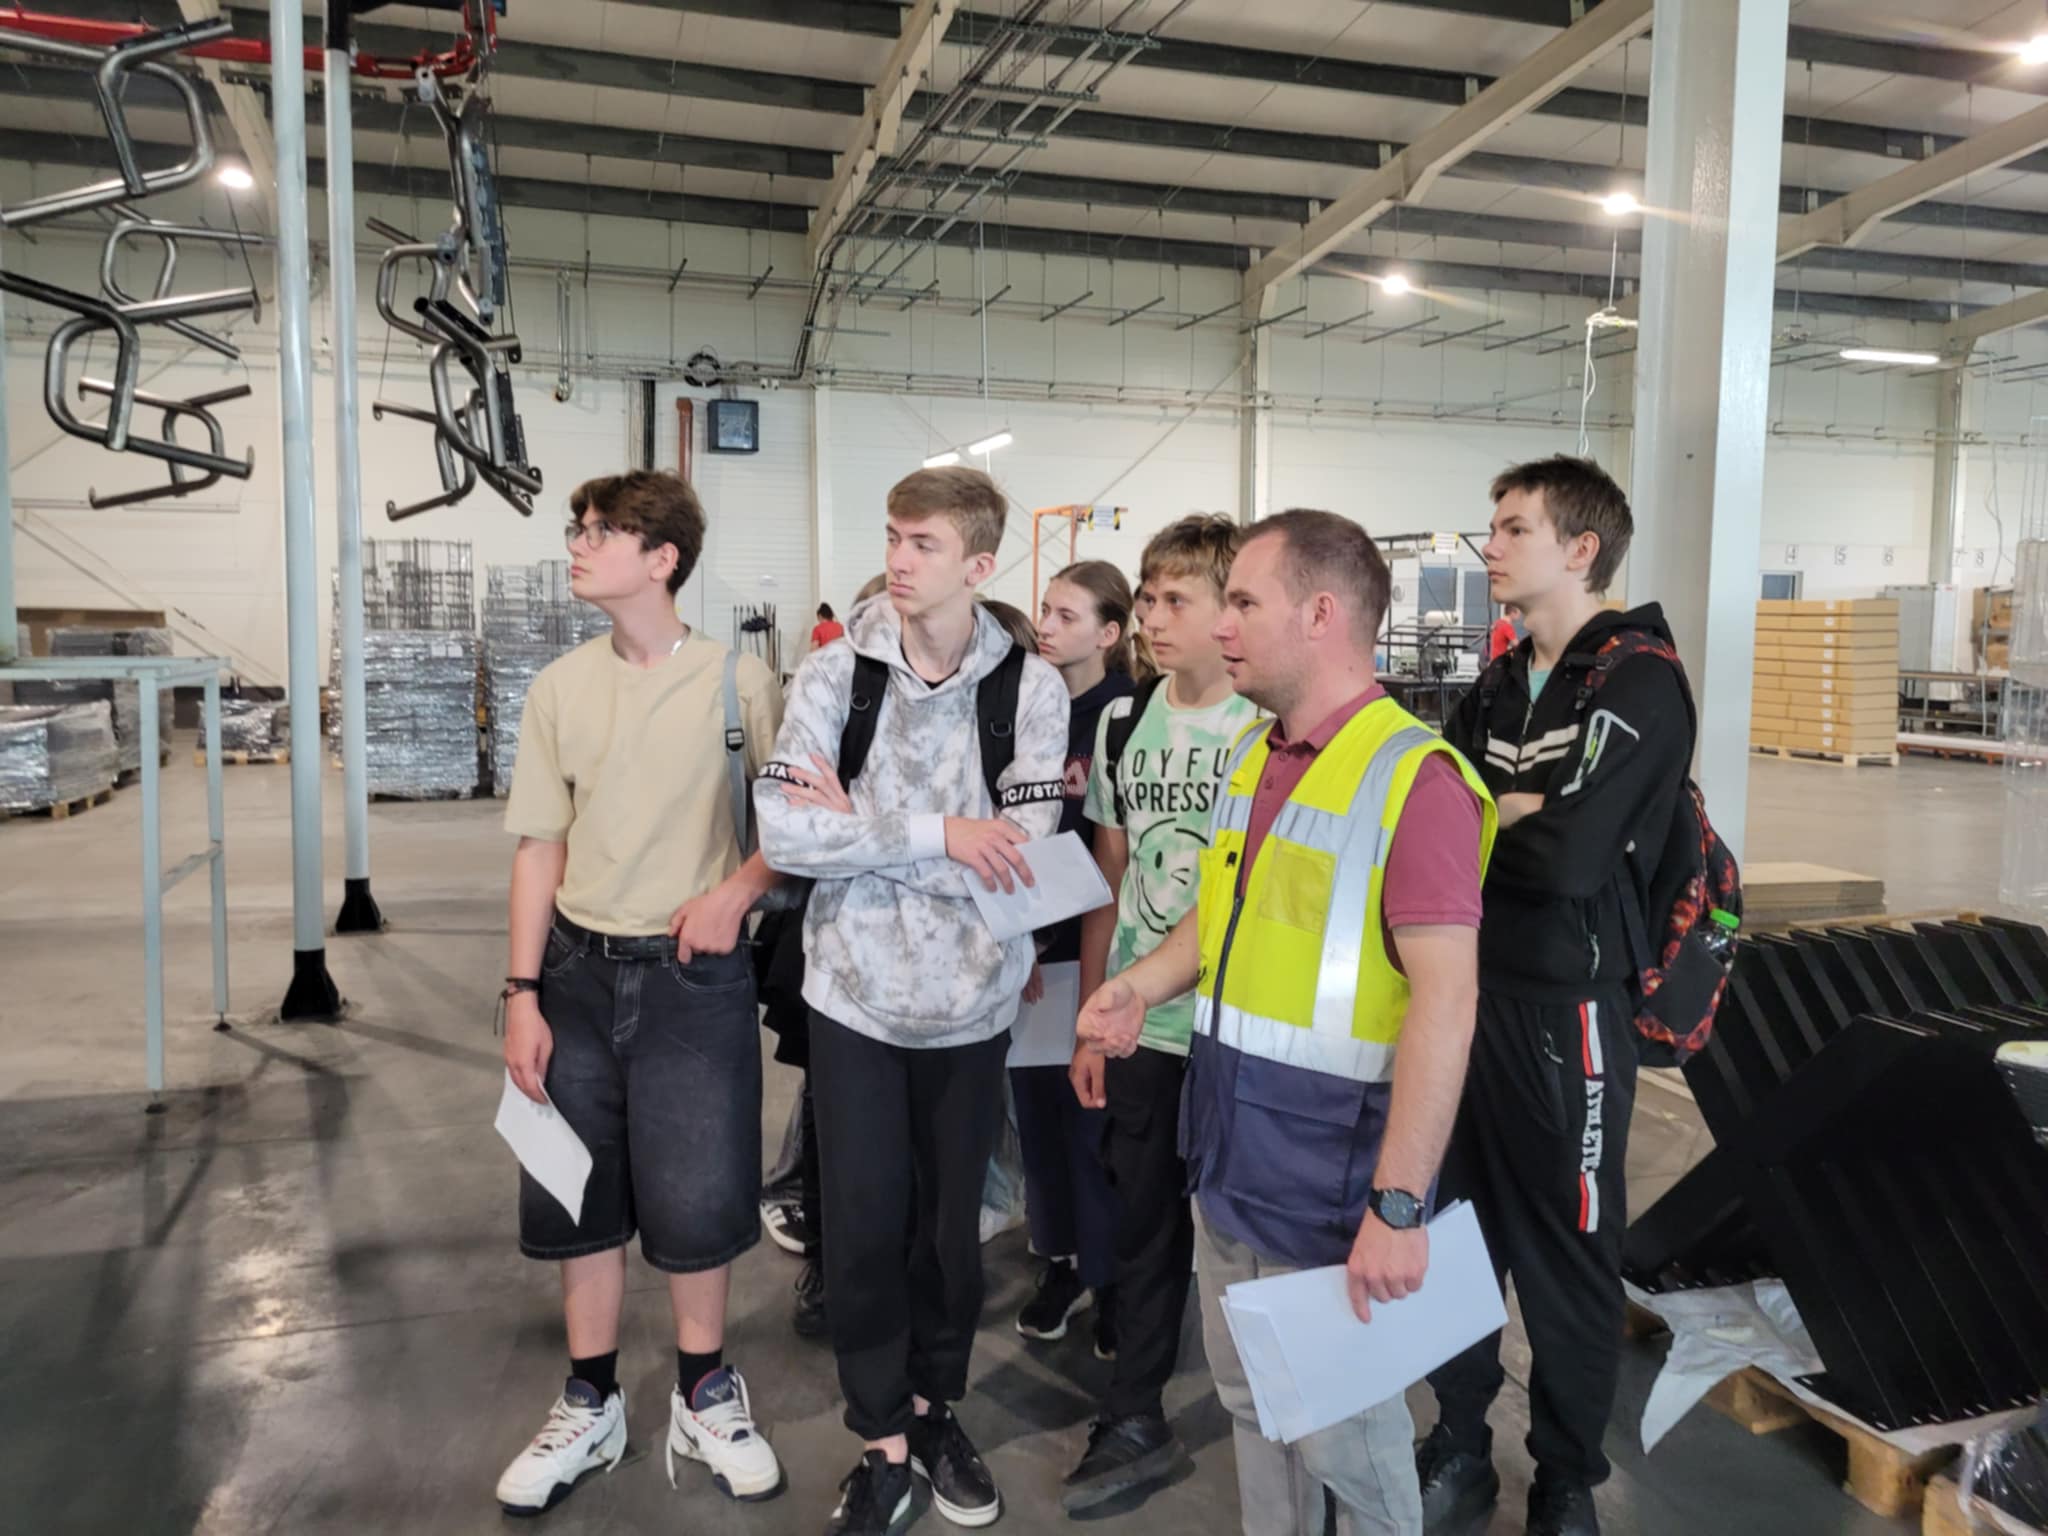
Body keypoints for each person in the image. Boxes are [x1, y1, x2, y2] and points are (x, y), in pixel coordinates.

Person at [1078, 509, 1495, 1536]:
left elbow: (1447, 1002)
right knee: (1256, 1410)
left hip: (1331, 1189)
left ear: (1319, 614)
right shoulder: (1255, 761)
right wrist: (1140, 986)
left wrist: (1398, 1206)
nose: (1220, 625)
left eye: (1242, 602)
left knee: (1344, 1441)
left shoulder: (1412, 780)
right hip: (1230, 1163)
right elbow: (1216, 925)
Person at [755, 466, 1070, 1536]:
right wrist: (945, 833)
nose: (897, 560)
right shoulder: (835, 672)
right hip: (852, 997)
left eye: (922, 544)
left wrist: (859, 828)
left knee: (949, 1234)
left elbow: (1019, 853)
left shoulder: (1028, 690)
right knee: (860, 1227)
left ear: (979, 565)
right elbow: (785, 833)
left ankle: (937, 1411)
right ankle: (882, 1440)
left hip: (973, 1004)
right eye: (892, 536)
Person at [495, 471, 786, 1516]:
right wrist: (520, 992)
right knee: (574, 1189)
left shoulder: (737, 684)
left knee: (699, 1190)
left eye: (602, 531)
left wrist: (736, 895)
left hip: (692, 980)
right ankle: (591, 1400)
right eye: (577, 528)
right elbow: (540, 845)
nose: (578, 544)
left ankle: (704, 1393)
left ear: (662, 559)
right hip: (575, 975)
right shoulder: (559, 688)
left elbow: (794, 831)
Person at [1420, 457, 1692, 1536]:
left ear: (1580, 549)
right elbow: (1427, 824)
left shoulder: (1638, 680)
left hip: (1568, 1009)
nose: (1489, 545)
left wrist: (1495, 817)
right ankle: (1456, 1442)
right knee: (1454, 1237)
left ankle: (1567, 1476)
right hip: (1463, 995)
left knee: (1568, 1249)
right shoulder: (1499, 681)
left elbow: (1575, 857)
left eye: (1512, 527)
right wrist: (1517, 809)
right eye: (1491, 526)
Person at [1061, 514, 1259, 1516]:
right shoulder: (1121, 724)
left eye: (1175, 599)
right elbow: (1109, 876)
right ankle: (1134, 1411)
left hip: (1237, 1031)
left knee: (1247, 1235)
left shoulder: (1264, 732)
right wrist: (1092, 1014)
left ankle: (1282, 1411)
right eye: (1145, 598)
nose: (1151, 617)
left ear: (1230, 609)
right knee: (1140, 1224)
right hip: (1141, 1023)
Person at [1009, 562, 1141, 1353]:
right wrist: (1016, 937)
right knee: (1042, 1128)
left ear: (1109, 632)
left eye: (1066, 615)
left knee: (1097, 1127)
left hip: (1103, 953)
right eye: (1044, 611)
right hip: (1032, 948)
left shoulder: (1125, 717)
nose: (1047, 626)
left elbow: (1114, 857)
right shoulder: (1030, 706)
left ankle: (1113, 1277)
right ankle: (1060, 1261)